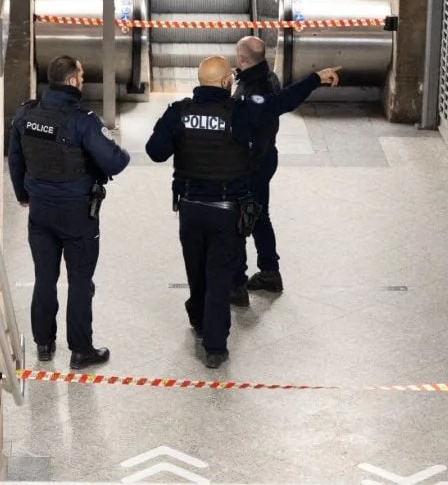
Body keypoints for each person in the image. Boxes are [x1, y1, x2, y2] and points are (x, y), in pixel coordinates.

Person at [145, 55, 339, 368]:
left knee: (196, 271)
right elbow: (280, 102)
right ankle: (215, 347)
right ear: (225, 82)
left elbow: (155, 153)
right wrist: (316, 78)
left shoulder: (178, 113)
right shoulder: (241, 112)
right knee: (219, 276)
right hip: (227, 211)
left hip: (191, 209)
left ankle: (198, 316)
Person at [8, 55, 131, 370]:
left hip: (40, 211)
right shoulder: (82, 120)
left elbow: (15, 158)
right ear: (74, 80)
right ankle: (80, 350)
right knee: (79, 279)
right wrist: (120, 148)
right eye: (80, 74)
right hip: (77, 212)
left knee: (44, 277)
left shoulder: (25, 113)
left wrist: (23, 195)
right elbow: (115, 162)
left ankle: (44, 344)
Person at [229, 36, 284, 307]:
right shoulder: (270, 78)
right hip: (266, 158)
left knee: (240, 218)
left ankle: (237, 284)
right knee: (260, 214)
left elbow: (250, 130)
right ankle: (270, 271)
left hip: (251, 163)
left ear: (242, 59)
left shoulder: (252, 89)